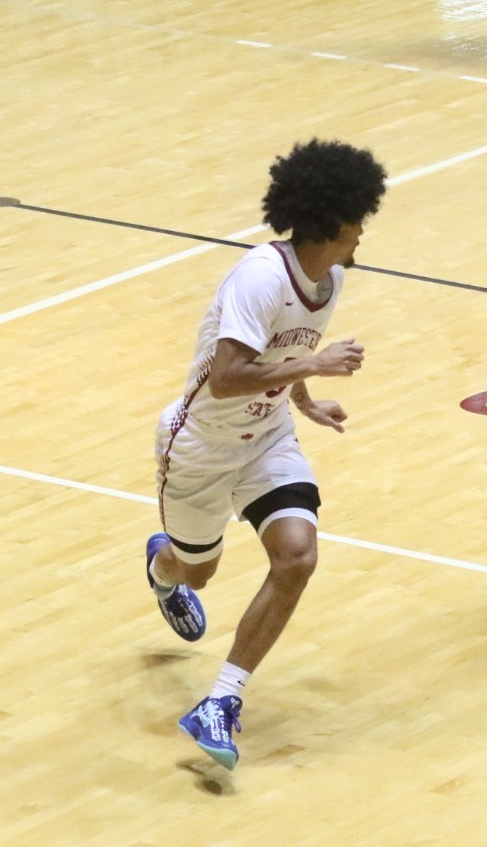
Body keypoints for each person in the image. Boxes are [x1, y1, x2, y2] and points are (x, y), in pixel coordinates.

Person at [143, 139, 386, 771]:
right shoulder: (262, 276)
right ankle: (164, 567)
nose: (364, 231)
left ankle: (221, 701)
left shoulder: (328, 279)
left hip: (268, 438)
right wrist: (314, 367)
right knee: (197, 573)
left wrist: (303, 399)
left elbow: (287, 350)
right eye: (359, 219)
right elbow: (227, 377)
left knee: (297, 556)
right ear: (333, 221)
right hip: (199, 447)